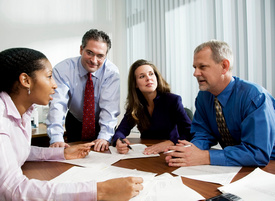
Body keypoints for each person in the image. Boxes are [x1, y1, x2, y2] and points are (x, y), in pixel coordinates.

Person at [0, 47, 143, 200]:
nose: (54, 85)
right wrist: (100, 191)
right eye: (49, 77)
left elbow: (19, 151)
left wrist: (62, 153)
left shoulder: (24, 112)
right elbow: (12, 189)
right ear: (25, 80)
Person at [165, 40, 275, 167]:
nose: (195, 73)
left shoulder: (254, 96)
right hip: (233, 164)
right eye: (195, 67)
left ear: (224, 66)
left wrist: (205, 156)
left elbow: (258, 153)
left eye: (202, 67)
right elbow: (202, 134)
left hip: (268, 165)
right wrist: (188, 151)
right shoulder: (203, 96)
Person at [46, 29, 120, 152]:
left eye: (100, 56)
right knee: (75, 158)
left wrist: (104, 137)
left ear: (106, 56)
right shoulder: (63, 69)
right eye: (90, 53)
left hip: (102, 123)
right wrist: (56, 138)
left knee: (103, 158)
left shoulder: (111, 72)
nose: (94, 60)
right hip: (75, 120)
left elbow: (109, 108)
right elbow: (57, 105)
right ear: (81, 49)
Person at [112, 59, 192, 155]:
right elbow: (121, 130)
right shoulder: (136, 105)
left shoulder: (173, 100)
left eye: (151, 74)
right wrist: (119, 140)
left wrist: (171, 142)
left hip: (169, 151)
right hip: (147, 152)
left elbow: (190, 132)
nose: (148, 78)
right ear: (135, 84)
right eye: (142, 76)